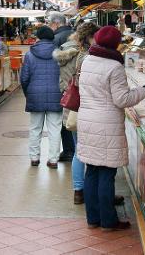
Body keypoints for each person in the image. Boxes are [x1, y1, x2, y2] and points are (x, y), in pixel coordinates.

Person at [77, 26, 145, 231]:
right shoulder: (114, 66)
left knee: (92, 170)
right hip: (107, 123)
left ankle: (93, 219)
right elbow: (122, 99)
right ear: (115, 44)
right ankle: (109, 221)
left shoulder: (88, 60)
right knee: (107, 173)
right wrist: (143, 91)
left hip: (87, 120)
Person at [53, 22, 100, 204]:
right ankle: (93, 191)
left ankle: (78, 191)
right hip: (87, 107)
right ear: (89, 37)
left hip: (72, 108)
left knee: (78, 151)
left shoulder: (65, 51)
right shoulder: (85, 55)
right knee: (91, 152)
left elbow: (64, 83)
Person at [20, 26, 62, 169]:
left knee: (35, 128)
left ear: (38, 37)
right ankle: (53, 159)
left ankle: (34, 158)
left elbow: (24, 78)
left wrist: (28, 93)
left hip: (35, 95)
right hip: (56, 94)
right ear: (52, 38)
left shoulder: (30, 55)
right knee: (55, 129)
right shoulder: (60, 53)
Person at [48, 12, 75, 162]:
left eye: (50, 24)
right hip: (79, 81)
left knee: (66, 118)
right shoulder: (76, 35)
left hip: (64, 83)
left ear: (56, 24)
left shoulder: (56, 39)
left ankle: (69, 150)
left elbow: (55, 65)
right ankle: (77, 148)